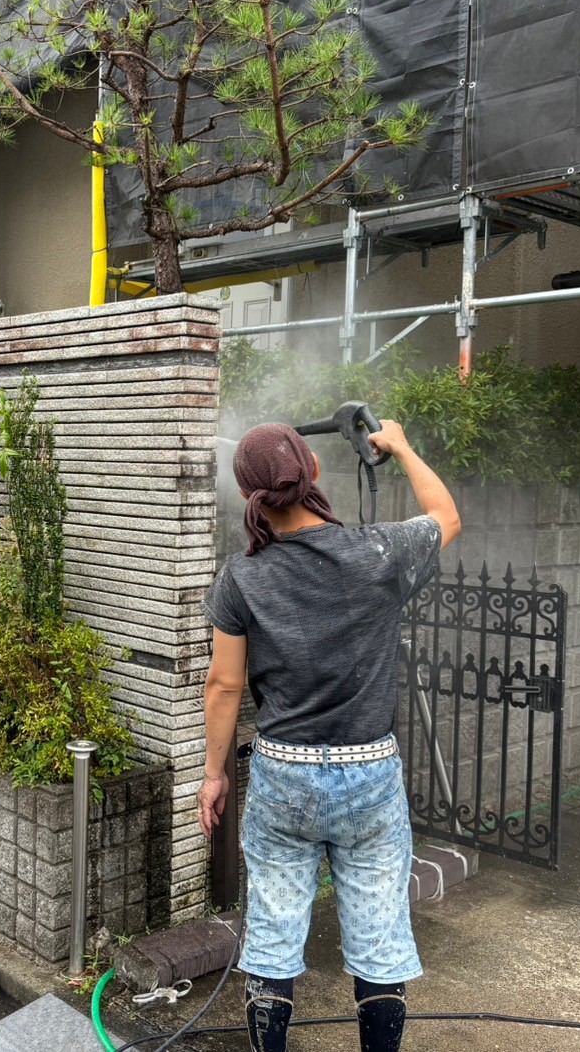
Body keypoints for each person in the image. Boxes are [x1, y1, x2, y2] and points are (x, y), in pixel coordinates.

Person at [199, 419, 461, 1052]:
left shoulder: (242, 577)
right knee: (379, 938)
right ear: (312, 468)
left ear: (250, 497)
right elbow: (446, 515)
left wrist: (214, 775)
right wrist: (400, 444)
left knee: (273, 934)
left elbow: (223, 687)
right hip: (369, 771)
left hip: (283, 773)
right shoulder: (379, 553)